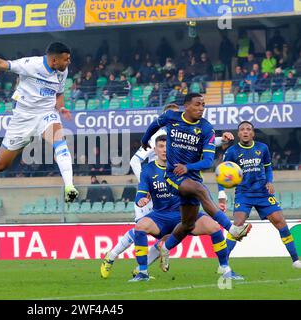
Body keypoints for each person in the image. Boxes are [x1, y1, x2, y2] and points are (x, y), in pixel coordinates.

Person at [101, 104, 235, 276]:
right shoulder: (156, 137)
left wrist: (221, 140)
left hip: (173, 188)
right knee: (140, 230)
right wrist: (146, 184)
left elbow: (200, 142)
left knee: (169, 235)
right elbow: (135, 160)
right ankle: (112, 256)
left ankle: (142, 268)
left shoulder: (182, 133)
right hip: (153, 188)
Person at [140, 93, 251, 273]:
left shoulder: (206, 129)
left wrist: (188, 166)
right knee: (199, 190)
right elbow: (154, 125)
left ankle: (166, 247)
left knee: (187, 225)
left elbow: (208, 161)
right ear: (186, 106)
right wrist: (145, 139)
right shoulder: (171, 117)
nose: (201, 108)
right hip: (172, 176)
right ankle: (232, 229)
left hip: (190, 175)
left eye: (203, 105)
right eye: (197, 105)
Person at [0, 43, 79, 202]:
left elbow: (59, 94)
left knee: (60, 143)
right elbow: (1, 64)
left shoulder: (62, 71)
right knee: (0, 166)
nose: (69, 62)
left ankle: (70, 187)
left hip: (46, 114)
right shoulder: (30, 65)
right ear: (54, 60)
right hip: (23, 118)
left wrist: (61, 107)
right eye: (66, 59)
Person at [129, 135, 241, 281]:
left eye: (167, 146)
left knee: (214, 227)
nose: (164, 150)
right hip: (161, 217)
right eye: (161, 147)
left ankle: (225, 268)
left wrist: (220, 141)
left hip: (186, 215)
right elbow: (141, 193)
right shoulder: (148, 170)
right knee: (140, 227)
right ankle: (143, 272)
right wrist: (141, 200)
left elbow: (199, 184)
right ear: (154, 150)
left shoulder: (181, 166)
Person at [218, 121, 301, 269]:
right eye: (242, 129)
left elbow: (268, 168)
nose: (245, 131)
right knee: (237, 226)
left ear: (253, 133)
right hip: (244, 194)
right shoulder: (232, 152)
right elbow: (220, 174)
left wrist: (269, 181)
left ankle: (295, 260)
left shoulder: (262, 148)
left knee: (280, 221)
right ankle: (223, 264)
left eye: (248, 129)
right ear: (238, 134)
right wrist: (221, 194)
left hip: (263, 193)